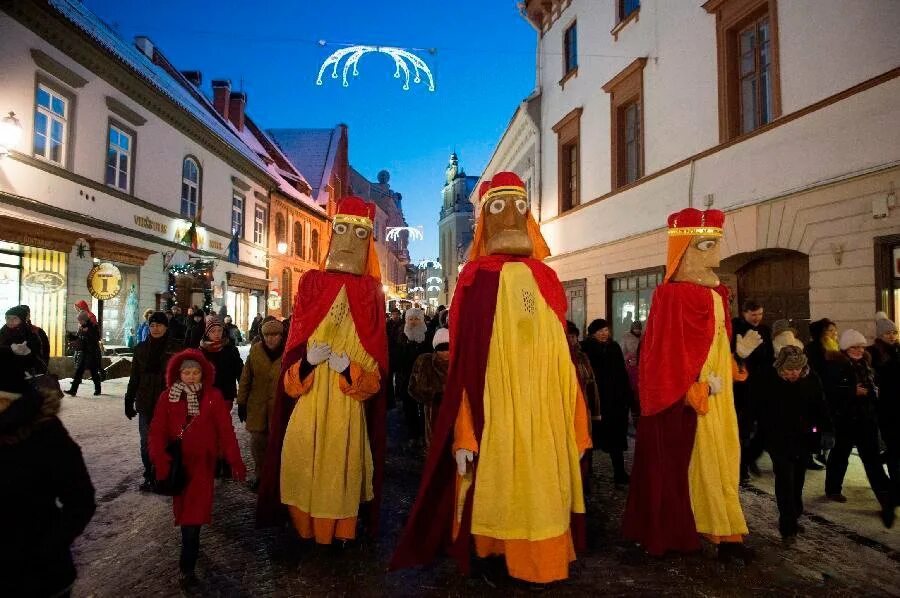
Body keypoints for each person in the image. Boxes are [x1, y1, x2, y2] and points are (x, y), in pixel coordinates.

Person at [392, 172, 590, 585]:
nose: (511, 218)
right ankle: (497, 552)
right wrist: (465, 430)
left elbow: (563, 357)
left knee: (540, 488)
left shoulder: (547, 278)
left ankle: (541, 557)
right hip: (496, 407)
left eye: (519, 207)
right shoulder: (476, 278)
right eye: (499, 208)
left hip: (546, 411)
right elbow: (466, 362)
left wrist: (575, 415)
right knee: (502, 484)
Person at [623, 208, 761, 560]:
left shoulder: (717, 296)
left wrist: (735, 359)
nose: (714, 256)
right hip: (687, 406)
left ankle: (725, 533)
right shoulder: (671, 297)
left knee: (721, 465)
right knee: (691, 467)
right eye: (704, 246)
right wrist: (689, 389)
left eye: (716, 245)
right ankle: (689, 533)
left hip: (719, 403)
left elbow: (716, 344)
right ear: (683, 249)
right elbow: (660, 356)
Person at [257, 196, 388, 547]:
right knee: (307, 463)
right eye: (341, 230)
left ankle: (341, 532)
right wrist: (308, 362)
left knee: (340, 472)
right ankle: (306, 528)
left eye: (358, 233)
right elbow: (290, 382)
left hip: (346, 410)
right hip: (311, 404)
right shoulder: (313, 284)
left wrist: (350, 370)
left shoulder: (371, 292)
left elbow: (373, 381)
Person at [0, 360, 96, 598]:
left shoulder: (45, 432)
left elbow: (80, 500)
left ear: (9, 398)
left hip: (40, 577)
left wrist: (47, 548)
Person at [149, 349, 246, 583]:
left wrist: (235, 460)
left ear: (203, 374)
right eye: (187, 372)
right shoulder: (167, 397)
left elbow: (226, 431)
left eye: (196, 372)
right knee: (185, 511)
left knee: (193, 515)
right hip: (178, 465)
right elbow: (157, 431)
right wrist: (160, 460)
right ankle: (190, 541)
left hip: (202, 464)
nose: (191, 376)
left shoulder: (212, 396)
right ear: (178, 374)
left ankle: (188, 563)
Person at [824, 329, 895, 527]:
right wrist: (851, 391)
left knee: (872, 460)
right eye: (854, 347)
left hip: (866, 419)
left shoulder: (867, 364)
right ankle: (833, 488)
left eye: (861, 346)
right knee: (840, 453)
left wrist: (874, 393)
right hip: (845, 419)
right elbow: (828, 392)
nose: (858, 350)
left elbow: (874, 387)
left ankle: (886, 498)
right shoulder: (835, 365)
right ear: (845, 348)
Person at [758, 346, 830, 541]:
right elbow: (761, 410)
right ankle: (787, 525)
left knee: (798, 479)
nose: (793, 374)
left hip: (803, 438)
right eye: (789, 370)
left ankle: (794, 514)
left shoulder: (811, 380)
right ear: (781, 368)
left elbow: (820, 406)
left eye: (797, 370)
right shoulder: (770, 381)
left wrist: (825, 430)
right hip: (778, 440)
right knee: (785, 480)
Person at [124, 311, 183, 491]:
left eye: (159, 325)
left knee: (167, 441)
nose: (155, 328)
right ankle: (150, 474)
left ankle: (164, 475)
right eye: (152, 325)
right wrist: (129, 399)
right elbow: (135, 377)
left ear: (166, 327)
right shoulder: (141, 348)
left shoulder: (176, 348)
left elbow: (182, 377)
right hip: (145, 402)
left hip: (168, 403)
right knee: (146, 443)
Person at [581, 318, 634, 485]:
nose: (605, 333)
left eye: (606, 330)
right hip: (595, 401)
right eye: (601, 330)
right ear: (593, 333)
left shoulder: (614, 347)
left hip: (614, 401)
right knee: (590, 437)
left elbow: (622, 373)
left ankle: (619, 473)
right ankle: (586, 474)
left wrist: (627, 395)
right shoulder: (586, 348)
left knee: (616, 439)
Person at [236, 318, 284, 490]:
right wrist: (241, 402)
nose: (271, 339)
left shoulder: (287, 352)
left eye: (275, 335)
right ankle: (260, 477)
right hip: (257, 407)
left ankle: (277, 479)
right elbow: (246, 378)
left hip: (279, 409)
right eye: (267, 335)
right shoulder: (256, 351)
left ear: (281, 336)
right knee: (258, 444)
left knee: (277, 446)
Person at [731, 299, 773, 482]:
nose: (757, 318)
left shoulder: (764, 330)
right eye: (753, 314)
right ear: (744, 313)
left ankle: (749, 457)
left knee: (764, 426)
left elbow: (769, 355)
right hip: (742, 386)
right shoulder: (735, 328)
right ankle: (741, 467)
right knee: (744, 429)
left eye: (760, 314)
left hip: (761, 384)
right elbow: (731, 354)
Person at [869, 313, 900, 509]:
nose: (892, 336)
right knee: (894, 449)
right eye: (888, 333)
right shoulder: (874, 353)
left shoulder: (898, 350)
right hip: (886, 408)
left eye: (894, 332)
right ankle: (895, 489)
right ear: (880, 335)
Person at [408, 327, 450, 449]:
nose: (445, 352)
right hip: (433, 414)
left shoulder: (459, 362)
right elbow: (413, 388)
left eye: (448, 348)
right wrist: (432, 395)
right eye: (441, 349)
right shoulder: (424, 361)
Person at [805, 318, 839, 466]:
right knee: (815, 426)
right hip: (819, 390)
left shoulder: (834, 347)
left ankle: (824, 451)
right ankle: (813, 452)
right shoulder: (814, 348)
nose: (834, 333)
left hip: (832, 391)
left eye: (834, 330)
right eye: (830, 331)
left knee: (828, 423)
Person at [395, 307, 431, 450]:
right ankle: (412, 436)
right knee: (409, 409)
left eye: (416, 319)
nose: (414, 322)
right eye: (411, 319)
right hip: (406, 379)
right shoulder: (401, 336)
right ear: (406, 320)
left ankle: (423, 435)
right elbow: (397, 357)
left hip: (424, 380)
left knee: (424, 409)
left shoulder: (428, 335)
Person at [66, 310, 103, 397]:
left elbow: (96, 338)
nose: (79, 322)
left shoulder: (93, 326)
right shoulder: (82, 327)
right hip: (85, 353)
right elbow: (79, 338)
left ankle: (98, 389)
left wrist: (87, 332)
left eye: (80, 320)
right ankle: (73, 390)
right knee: (79, 371)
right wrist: (71, 336)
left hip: (93, 353)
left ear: (84, 320)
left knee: (94, 372)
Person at [1, 305, 46, 376]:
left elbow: (40, 357)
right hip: (5, 374)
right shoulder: (2, 333)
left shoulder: (31, 334)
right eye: (8, 318)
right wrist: (9, 348)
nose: (10, 321)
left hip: (26, 375)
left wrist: (27, 352)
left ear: (21, 319)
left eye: (15, 318)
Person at [621, 320, 642, 408]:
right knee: (631, 385)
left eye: (639, 329)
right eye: (635, 328)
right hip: (629, 364)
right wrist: (627, 359)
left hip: (640, 364)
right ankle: (632, 404)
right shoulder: (626, 337)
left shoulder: (643, 337)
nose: (637, 330)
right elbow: (623, 350)